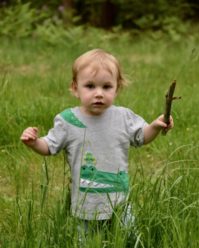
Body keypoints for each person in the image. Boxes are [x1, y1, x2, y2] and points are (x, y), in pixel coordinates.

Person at [20, 48, 173, 225]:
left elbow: (141, 137)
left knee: (127, 236)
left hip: (119, 198)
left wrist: (154, 126)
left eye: (107, 86)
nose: (99, 93)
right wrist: (35, 142)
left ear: (117, 89)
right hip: (85, 201)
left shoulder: (123, 117)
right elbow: (49, 146)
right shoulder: (68, 120)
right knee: (84, 243)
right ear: (75, 89)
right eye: (90, 86)